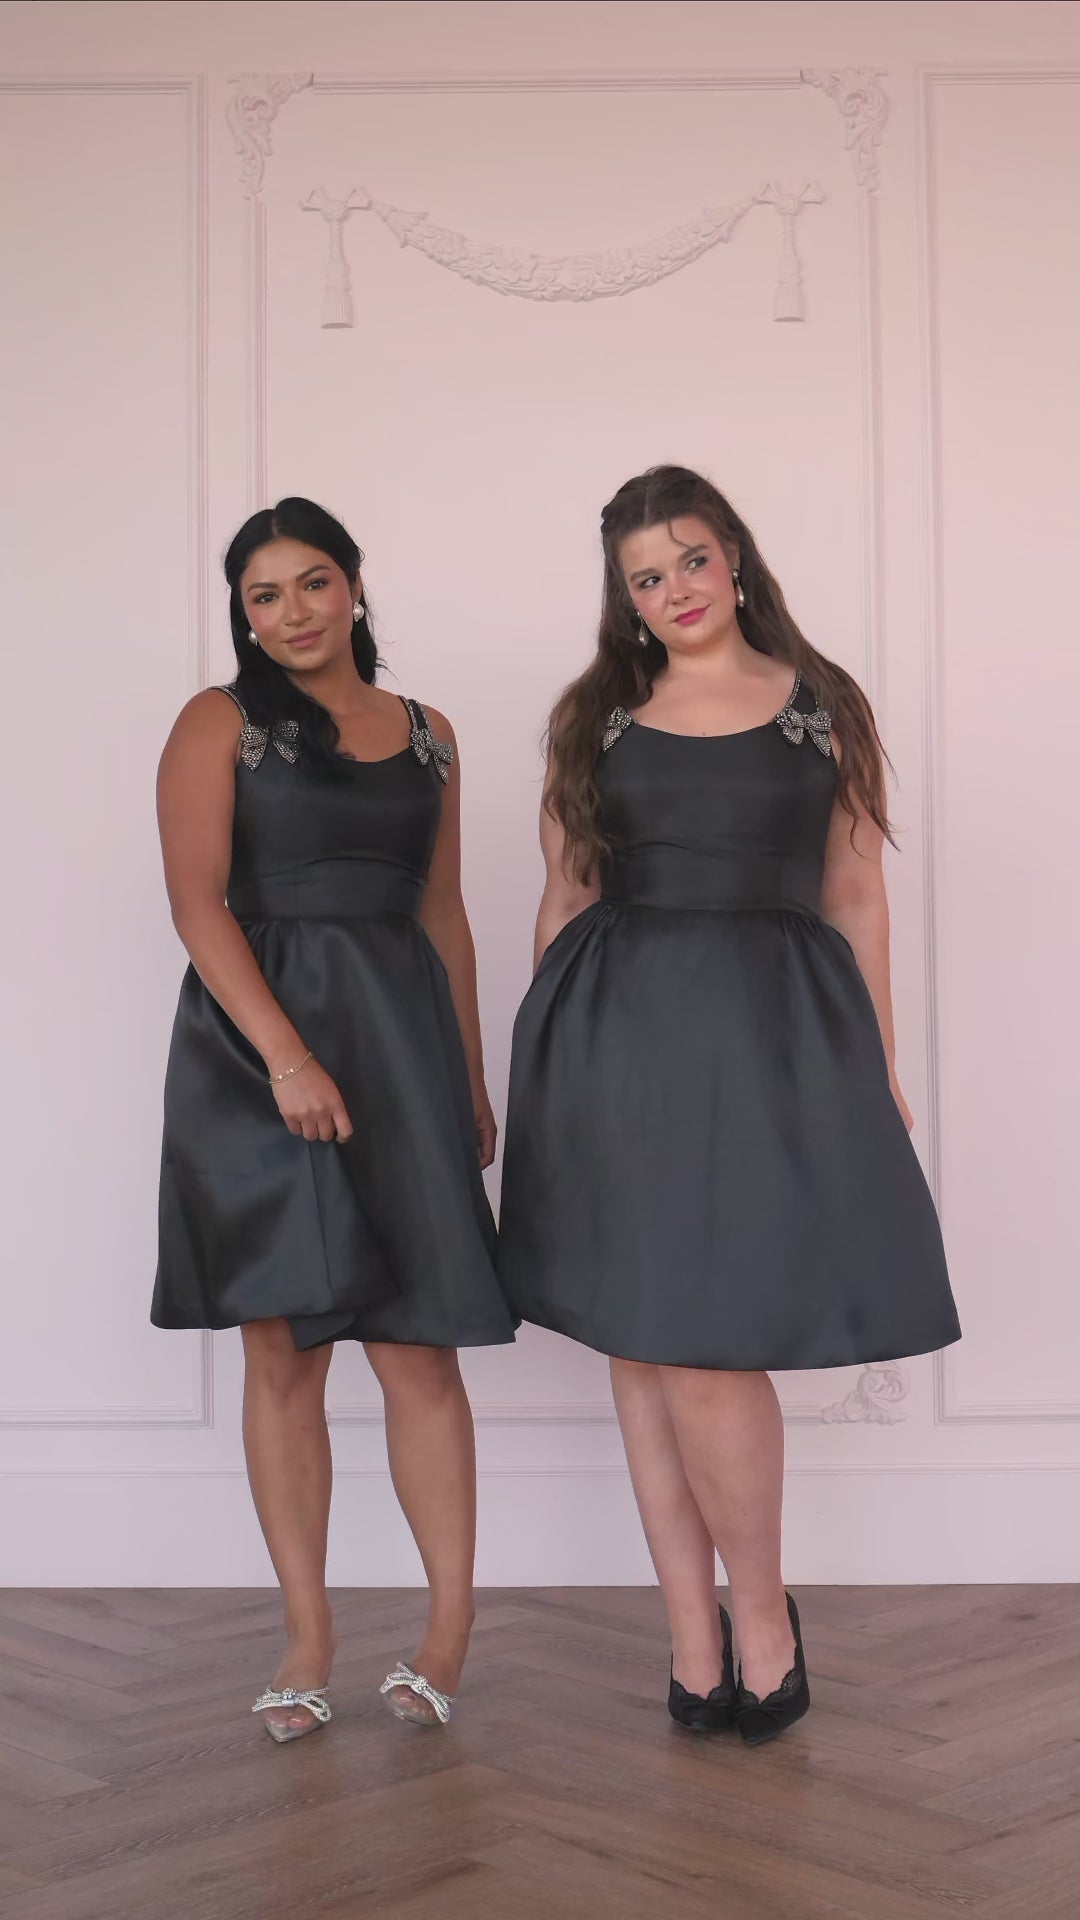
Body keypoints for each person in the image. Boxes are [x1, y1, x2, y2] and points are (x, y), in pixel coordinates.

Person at [498, 465, 960, 1746]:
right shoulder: (596, 716)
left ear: (735, 557)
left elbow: (856, 895)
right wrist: (546, 1065)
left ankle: (762, 1617)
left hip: (767, 1040)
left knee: (707, 1341)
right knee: (643, 1342)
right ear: (626, 598)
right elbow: (566, 896)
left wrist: (875, 1062)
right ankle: (691, 1638)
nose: (676, 590)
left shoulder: (822, 704)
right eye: (647, 577)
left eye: (691, 559)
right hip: (616, 1042)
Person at [153, 497, 515, 1741]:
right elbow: (197, 904)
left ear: (354, 585)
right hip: (260, 1054)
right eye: (264, 594)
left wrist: (470, 1078)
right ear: (243, 614)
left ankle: (447, 1630)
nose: (292, 611)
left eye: (313, 582)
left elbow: (444, 914)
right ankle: (306, 1635)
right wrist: (288, 1059)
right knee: (284, 1350)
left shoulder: (430, 735)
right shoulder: (219, 722)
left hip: (401, 1051)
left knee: (418, 1349)